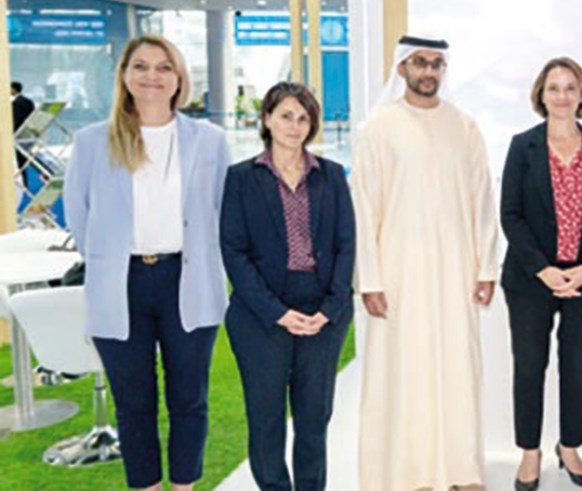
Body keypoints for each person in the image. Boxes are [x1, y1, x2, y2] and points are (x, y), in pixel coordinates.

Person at [64, 34, 231, 491]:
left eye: (163, 67)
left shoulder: (210, 141)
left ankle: (184, 485)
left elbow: (223, 211)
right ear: (123, 75)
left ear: (179, 78)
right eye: (140, 66)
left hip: (188, 280)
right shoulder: (92, 142)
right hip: (121, 283)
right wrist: (108, 260)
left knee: (189, 398)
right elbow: (79, 215)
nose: (151, 76)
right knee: (133, 403)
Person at [350, 35, 501, 491]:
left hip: (456, 273)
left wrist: (486, 268)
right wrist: (370, 279)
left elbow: (482, 201)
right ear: (402, 68)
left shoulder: (464, 127)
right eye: (420, 62)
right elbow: (364, 208)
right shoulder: (379, 127)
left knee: (457, 369)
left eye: (436, 64)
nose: (429, 71)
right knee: (403, 371)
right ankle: (407, 473)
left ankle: (459, 471)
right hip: (398, 275)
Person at [220, 82, 355, 491]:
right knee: (266, 418)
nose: (295, 126)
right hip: (260, 315)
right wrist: (276, 312)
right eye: (285, 116)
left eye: (303, 118)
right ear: (267, 119)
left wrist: (330, 309)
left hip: (322, 313)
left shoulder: (331, 176)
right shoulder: (241, 178)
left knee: (314, 417)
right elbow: (234, 251)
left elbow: (346, 244)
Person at [500, 57, 582, 491]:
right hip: (530, 280)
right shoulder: (523, 146)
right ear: (541, 95)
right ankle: (530, 453)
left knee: (577, 368)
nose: (562, 96)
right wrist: (544, 270)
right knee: (529, 368)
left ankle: (569, 447)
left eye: (571, 87)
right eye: (554, 87)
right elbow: (511, 214)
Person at [11, 81, 35, 174]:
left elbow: (15, 119)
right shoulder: (29, 101)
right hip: (29, 133)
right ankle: (29, 178)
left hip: (19, 135)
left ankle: (25, 179)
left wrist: (11, 132)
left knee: (21, 161)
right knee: (28, 159)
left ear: (14, 89)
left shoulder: (16, 103)